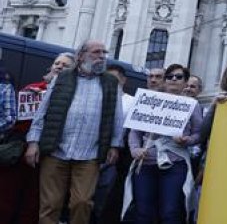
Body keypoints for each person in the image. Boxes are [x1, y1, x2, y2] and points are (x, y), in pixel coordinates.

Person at [24, 40, 124, 224]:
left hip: (89, 154)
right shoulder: (62, 78)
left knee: (82, 202)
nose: (102, 56)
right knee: (50, 205)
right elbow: (42, 113)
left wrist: (115, 145)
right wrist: (33, 142)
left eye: (104, 52)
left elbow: (117, 117)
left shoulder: (110, 82)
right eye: (96, 52)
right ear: (81, 56)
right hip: (56, 150)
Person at [1, 52, 75, 224]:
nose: (59, 67)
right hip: (18, 153)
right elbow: (12, 119)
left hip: (49, 157)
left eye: (65, 65)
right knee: (6, 195)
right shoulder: (33, 88)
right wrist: (28, 99)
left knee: (34, 201)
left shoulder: (74, 98)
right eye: (57, 63)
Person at [126, 64, 203, 224]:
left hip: (175, 164)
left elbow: (198, 134)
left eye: (179, 76)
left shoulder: (192, 105)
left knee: (171, 211)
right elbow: (135, 131)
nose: (174, 79)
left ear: (185, 82)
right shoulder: (148, 100)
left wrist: (187, 140)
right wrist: (135, 149)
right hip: (146, 162)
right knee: (143, 211)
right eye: (170, 76)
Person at [90, 64, 135, 224]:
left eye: (114, 79)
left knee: (104, 198)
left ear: (123, 80)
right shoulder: (94, 99)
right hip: (89, 154)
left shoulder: (132, 102)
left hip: (113, 157)